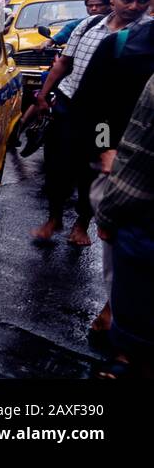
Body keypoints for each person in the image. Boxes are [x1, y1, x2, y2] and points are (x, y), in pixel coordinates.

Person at [28, 0, 153, 245]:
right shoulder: (88, 25)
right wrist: (42, 97)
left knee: (92, 170)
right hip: (69, 106)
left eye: (142, 1)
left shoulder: (147, 35)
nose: (134, 7)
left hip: (107, 120)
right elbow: (62, 64)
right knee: (57, 166)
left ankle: (82, 223)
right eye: (127, 0)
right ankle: (54, 218)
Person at [92, 73, 154, 378]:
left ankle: (126, 356)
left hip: (141, 218)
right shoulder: (117, 41)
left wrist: (107, 213)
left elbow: (138, 157)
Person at [37, 0, 111, 49]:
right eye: (90, 6)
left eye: (99, 5)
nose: (94, 8)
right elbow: (69, 29)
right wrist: (51, 41)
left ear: (109, 6)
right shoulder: (84, 22)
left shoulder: (115, 21)